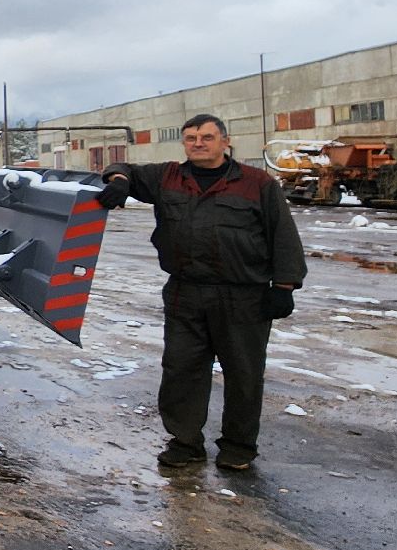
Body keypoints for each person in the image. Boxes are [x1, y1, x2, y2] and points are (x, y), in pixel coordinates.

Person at [97, 114, 306, 472]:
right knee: (182, 369)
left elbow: (283, 236)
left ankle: (238, 446)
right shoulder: (168, 177)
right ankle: (185, 442)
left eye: (206, 137)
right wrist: (117, 181)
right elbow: (123, 167)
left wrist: (284, 286)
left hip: (244, 296)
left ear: (225, 142)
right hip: (185, 292)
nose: (198, 143)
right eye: (191, 137)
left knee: (244, 372)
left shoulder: (258, 184)